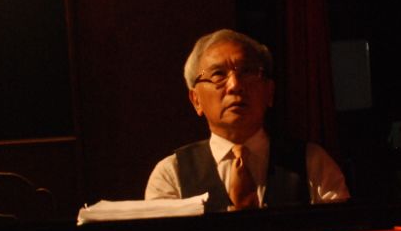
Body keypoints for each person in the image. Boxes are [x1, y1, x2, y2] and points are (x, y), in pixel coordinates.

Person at [145, 29, 350, 210]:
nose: (235, 85)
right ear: (196, 100)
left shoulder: (312, 163)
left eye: (247, 72)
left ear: (269, 92)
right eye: (218, 74)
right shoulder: (172, 175)